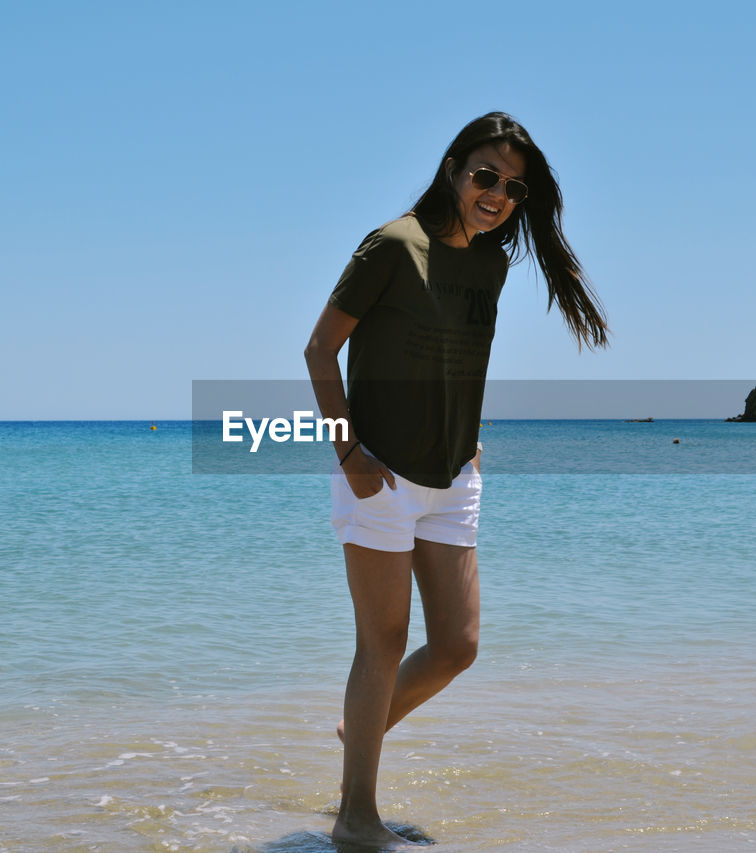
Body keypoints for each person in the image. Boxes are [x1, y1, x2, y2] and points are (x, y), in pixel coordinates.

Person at [304, 112, 608, 849]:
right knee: (382, 641)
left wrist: (469, 436)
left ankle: (360, 732)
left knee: (456, 645)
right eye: (484, 176)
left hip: (453, 477)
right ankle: (356, 817)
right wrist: (350, 454)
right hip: (378, 474)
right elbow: (319, 350)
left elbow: (462, 357)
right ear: (452, 169)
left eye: (512, 187)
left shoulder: (492, 264)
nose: (497, 194)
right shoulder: (392, 246)